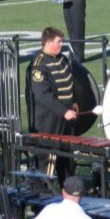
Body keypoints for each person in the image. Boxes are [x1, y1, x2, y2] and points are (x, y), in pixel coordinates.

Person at [26, 27, 78, 180]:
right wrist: (64, 111)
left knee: (67, 154)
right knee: (47, 157)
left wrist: (72, 102)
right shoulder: (38, 64)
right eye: (58, 42)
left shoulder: (62, 59)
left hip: (65, 116)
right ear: (48, 43)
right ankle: (42, 189)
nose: (61, 45)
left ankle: (68, 186)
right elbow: (43, 95)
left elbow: (69, 82)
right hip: (48, 118)